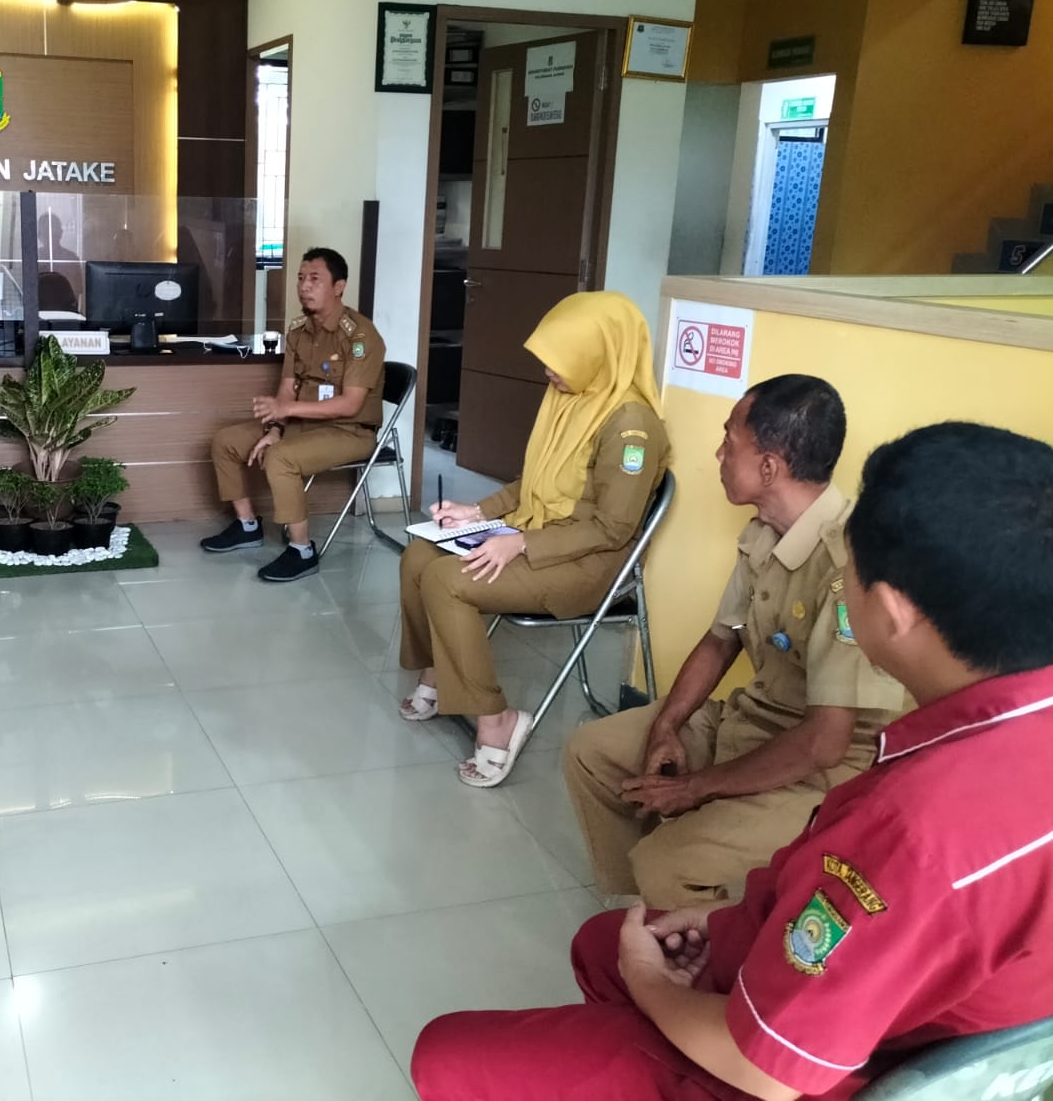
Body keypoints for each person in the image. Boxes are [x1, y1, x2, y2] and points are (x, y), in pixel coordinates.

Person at [411, 421, 1053, 1101]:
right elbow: (721, 644)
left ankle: (646, 1057)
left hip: (806, 1067)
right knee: (603, 941)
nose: (718, 454)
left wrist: (653, 984)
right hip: (863, 999)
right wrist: (729, 922)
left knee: (444, 1054)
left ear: (892, 612)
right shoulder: (981, 755)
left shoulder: (915, 826)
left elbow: (772, 1072)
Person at [564, 374, 908, 910]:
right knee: (592, 753)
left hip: (826, 774)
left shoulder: (849, 565)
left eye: (730, 441)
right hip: (751, 718)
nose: (719, 453)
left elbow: (825, 743)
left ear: (769, 466)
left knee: (667, 861)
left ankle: (700, 930)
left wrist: (697, 787)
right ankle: (655, 913)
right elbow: (719, 642)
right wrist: (666, 727)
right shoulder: (765, 532)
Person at [398, 291, 669, 788]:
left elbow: (614, 529)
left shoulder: (631, 426)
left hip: (593, 561)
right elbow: (537, 483)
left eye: (559, 361)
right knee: (419, 554)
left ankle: (497, 720)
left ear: (600, 352)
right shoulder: (572, 398)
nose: (549, 372)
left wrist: (521, 544)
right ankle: (439, 670)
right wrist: (476, 512)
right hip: (543, 534)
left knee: (447, 580)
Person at [200, 247, 386, 583]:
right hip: (302, 424)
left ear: (339, 286)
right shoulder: (299, 331)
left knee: (281, 458)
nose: (304, 286)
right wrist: (274, 428)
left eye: (315, 279)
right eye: (301, 278)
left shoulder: (360, 336)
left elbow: (350, 405)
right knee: (226, 440)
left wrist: (285, 413)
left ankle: (302, 550)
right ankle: (247, 526)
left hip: (349, 431)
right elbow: (287, 389)